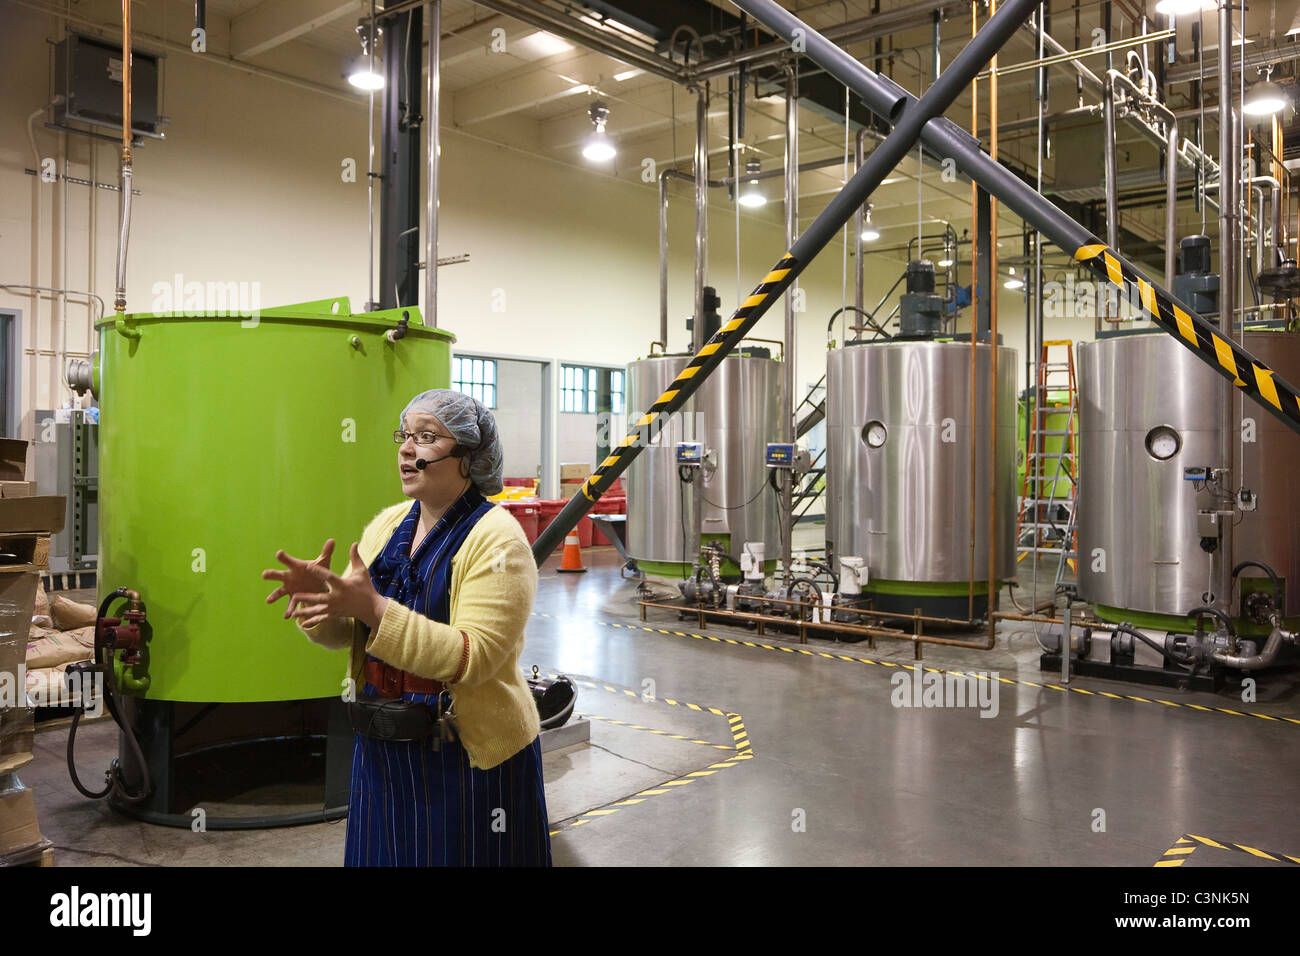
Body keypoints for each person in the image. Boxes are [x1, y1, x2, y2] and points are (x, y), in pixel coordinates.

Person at [261, 389, 551, 866]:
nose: (406, 449)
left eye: (426, 437)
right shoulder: (387, 526)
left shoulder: (498, 539)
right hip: (383, 745)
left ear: (468, 457)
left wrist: (374, 609)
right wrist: (324, 607)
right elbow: (353, 633)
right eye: (404, 435)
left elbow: (473, 658)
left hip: (466, 755)